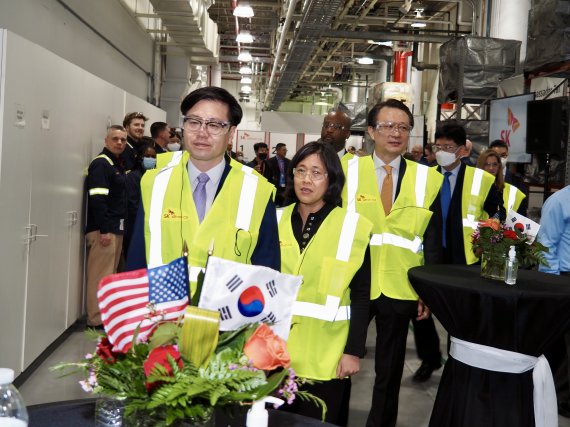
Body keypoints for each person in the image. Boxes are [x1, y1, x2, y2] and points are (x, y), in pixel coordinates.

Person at [341, 99, 443, 427]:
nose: (395, 133)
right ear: (370, 131)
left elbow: (431, 240)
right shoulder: (345, 171)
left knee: (389, 372)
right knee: (340, 362)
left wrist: (427, 290)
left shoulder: (428, 179)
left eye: (402, 127)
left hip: (400, 286)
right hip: (350, 282)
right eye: (386, 125)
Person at [126, 86, 280, 295]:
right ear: (183, 126)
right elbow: (137, 257)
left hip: (227, 323)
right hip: (162, 317)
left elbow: (267, 273)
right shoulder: (155, 182)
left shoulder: (256, 190)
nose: (202, 132)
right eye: (194, 122)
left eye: (214, 125)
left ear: (231, 133)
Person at [278, 142, 372, 426]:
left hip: (328, 357)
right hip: (277, 354)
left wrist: (353, 351)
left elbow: (361, 294)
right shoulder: (274, 220)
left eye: (317, 172)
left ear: (331, 179)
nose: (306, 180)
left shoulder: (352, 227)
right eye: (301, 170)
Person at [411, 122, 505, 384]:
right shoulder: (423, 176)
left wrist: (488, 232)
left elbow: (498, 213)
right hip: (427, 255)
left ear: (462, 150)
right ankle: (429, 358)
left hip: (465, 258)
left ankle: (458, 363)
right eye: (438, 147)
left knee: (462, 315)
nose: (442, 152)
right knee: (420, 311)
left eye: (448, 147)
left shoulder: (481, 179)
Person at [84, 125, 128, 327]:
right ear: (106, 141)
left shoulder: (115, 164)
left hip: (114, 229)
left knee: (110, 277)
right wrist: (104, 230)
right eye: (115, 139)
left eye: (123, 140)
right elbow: (98, 199)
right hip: (104, 230)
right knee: (100, 277)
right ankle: (95, 319)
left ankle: (106, 317)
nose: (120, 142)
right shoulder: (101, 164)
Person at [538, 185, 570, 416]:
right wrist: (553, 287)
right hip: (564, 279)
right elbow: (546, 244)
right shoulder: (559, 201)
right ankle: (560, 397)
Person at [489, 139, 529, 215]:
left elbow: (523, 207)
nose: (500, 159)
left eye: (503, 155)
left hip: (509, 223)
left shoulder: (517, 180)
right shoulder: (483, 177)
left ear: (507, 155)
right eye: (497, 155)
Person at [263, 143, 290, 207]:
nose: (285, 151)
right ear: (277, 150)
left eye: (286, 150)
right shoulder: (269, 162)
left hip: (285, 190)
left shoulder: (289, 162)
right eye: (283, 150)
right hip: (274, 189)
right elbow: (267, 178)